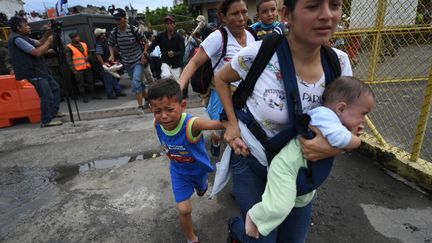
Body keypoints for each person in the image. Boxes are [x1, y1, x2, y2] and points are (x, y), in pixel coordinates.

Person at [214, 0, 352, 241]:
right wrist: (232, 124)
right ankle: (237, 230)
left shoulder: (338, 63)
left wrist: (333, 148)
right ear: (287, 14)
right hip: (252, 160)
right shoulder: (259, 53)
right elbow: (221, 78)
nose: (327, 15)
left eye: (335, 5)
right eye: (313, 6)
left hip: (299, 170)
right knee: (259, 236)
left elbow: (349, 123)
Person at [244, 76, 375, 241]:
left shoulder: (334, 121)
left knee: (302, 199)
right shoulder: (325, 115)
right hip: (286, 167)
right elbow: (341, 140)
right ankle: (256, 217)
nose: (363, 121)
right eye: (363, 114)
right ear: (341, 108)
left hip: (303, 169)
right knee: (280, 206)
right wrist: (356, 140)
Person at [148, 78, 224, 243]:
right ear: (151, 109)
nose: (164, 116)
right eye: (157, 111)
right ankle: (191, 238)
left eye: (169, 109)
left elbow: (217, 124)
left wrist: (233, 123)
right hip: (178, 172)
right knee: (184, 209)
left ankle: (201, 186)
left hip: (199, 170)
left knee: (202, 190)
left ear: (182, 106)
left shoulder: (191, 124)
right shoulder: (157, 124)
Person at [178, 0, 257, 157]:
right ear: (223, 17)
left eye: (244, 12)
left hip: (245, 96)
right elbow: (193, 62)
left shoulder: (251, 35)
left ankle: (238, 163)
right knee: (221, 131)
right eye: (235, 13)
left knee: (241, 133)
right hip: (221, 95)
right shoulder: (217, 37)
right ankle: (215, 141)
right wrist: (178, 88)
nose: (242, 18)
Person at [7, 16, 64, 127]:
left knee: (55, 88)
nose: (29, 27)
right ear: (18, 28)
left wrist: (48, 33)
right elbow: (37, 52)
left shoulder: (23, 37)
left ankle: (53, 112)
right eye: (26, 25)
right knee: (46, 95)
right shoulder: (17, 39)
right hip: (32, 72)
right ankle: (46, 120)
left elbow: (39, 42)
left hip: (39, 70)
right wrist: (49, 41)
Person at [108, 8, 151, 114]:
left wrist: (144, 53)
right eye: (116, 19)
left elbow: (146, 42)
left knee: (135, 82)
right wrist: (112, 55)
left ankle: (140, 107)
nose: (117, 21)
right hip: (127, 62)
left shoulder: (133, 29)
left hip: (138, 60)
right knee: (138, 83)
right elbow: (110, 44)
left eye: (119, 19)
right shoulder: (115, 32)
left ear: (124, 19)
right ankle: (148, 99)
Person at [147, 15, 185, 83]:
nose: (169, 25)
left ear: (174, 24)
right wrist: (147, 53)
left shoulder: (179, 37)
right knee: (166, 76)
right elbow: (152, 46)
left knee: (176, 83)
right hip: (165, 62)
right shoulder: (160, 36)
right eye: (167, 23)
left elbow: (182, 52)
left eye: (171, 23)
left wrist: (174, 53)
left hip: (176, 64)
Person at [94, 28, 127, 99]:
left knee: (113, 77)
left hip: (109, 63)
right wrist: (103, 64)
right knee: (108, 79)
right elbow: (98, 54)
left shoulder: (103, 41)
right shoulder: (99, 43)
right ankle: (110, 94)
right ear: (100, 35)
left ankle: (118, 92)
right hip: (106, 64)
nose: (104, 34)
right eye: (103, 33)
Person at [66, 32, 98, 103]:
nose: (78, 38)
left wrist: (88, 57)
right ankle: (84, 97)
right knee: (81, 84)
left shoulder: (84, 44)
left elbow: (90, 53)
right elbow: (69, 60)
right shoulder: (69, 47)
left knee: (90, 82)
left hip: (87, 66)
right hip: (78, 69)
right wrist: (74, 70)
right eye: (76, 37)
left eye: (78, 36)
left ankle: (94, 95)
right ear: (72, 38)